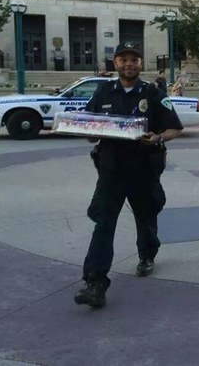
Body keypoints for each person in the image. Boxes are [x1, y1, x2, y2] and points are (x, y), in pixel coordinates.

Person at [74, 42, 183, 308]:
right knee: (103, 224)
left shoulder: (153, 93)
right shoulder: (103, 92)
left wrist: (157, 137)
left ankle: (147, 253)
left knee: (146, 217)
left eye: (134, 59)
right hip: (111, 170)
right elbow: (90, 131)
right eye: (123, 59)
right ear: (115, 64)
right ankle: (95, 282)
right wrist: (87, 130)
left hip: (143, 169)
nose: (129, 64)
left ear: (139, 64)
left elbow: (174, 128)